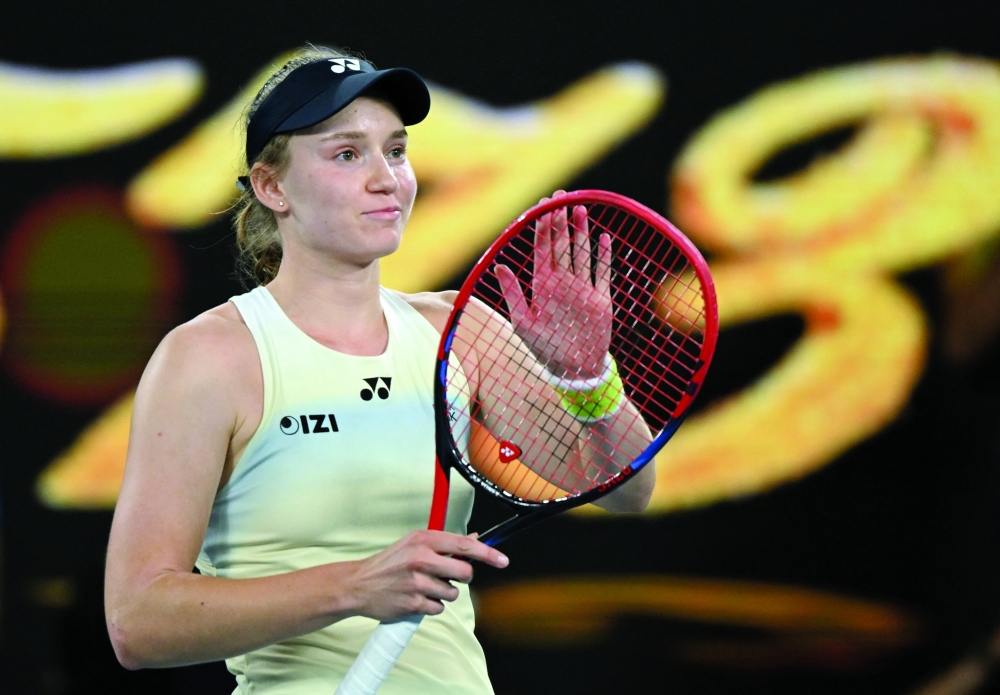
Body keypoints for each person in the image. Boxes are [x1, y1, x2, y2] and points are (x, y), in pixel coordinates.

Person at [104, 45, 655, 694]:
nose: (386, 177)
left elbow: (623, 490)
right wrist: (355, 585)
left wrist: (587, 380)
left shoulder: (457, 330)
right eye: (347, 154)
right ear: (271, 186)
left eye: (395, 150)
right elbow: (136, 622)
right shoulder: (209, 357)